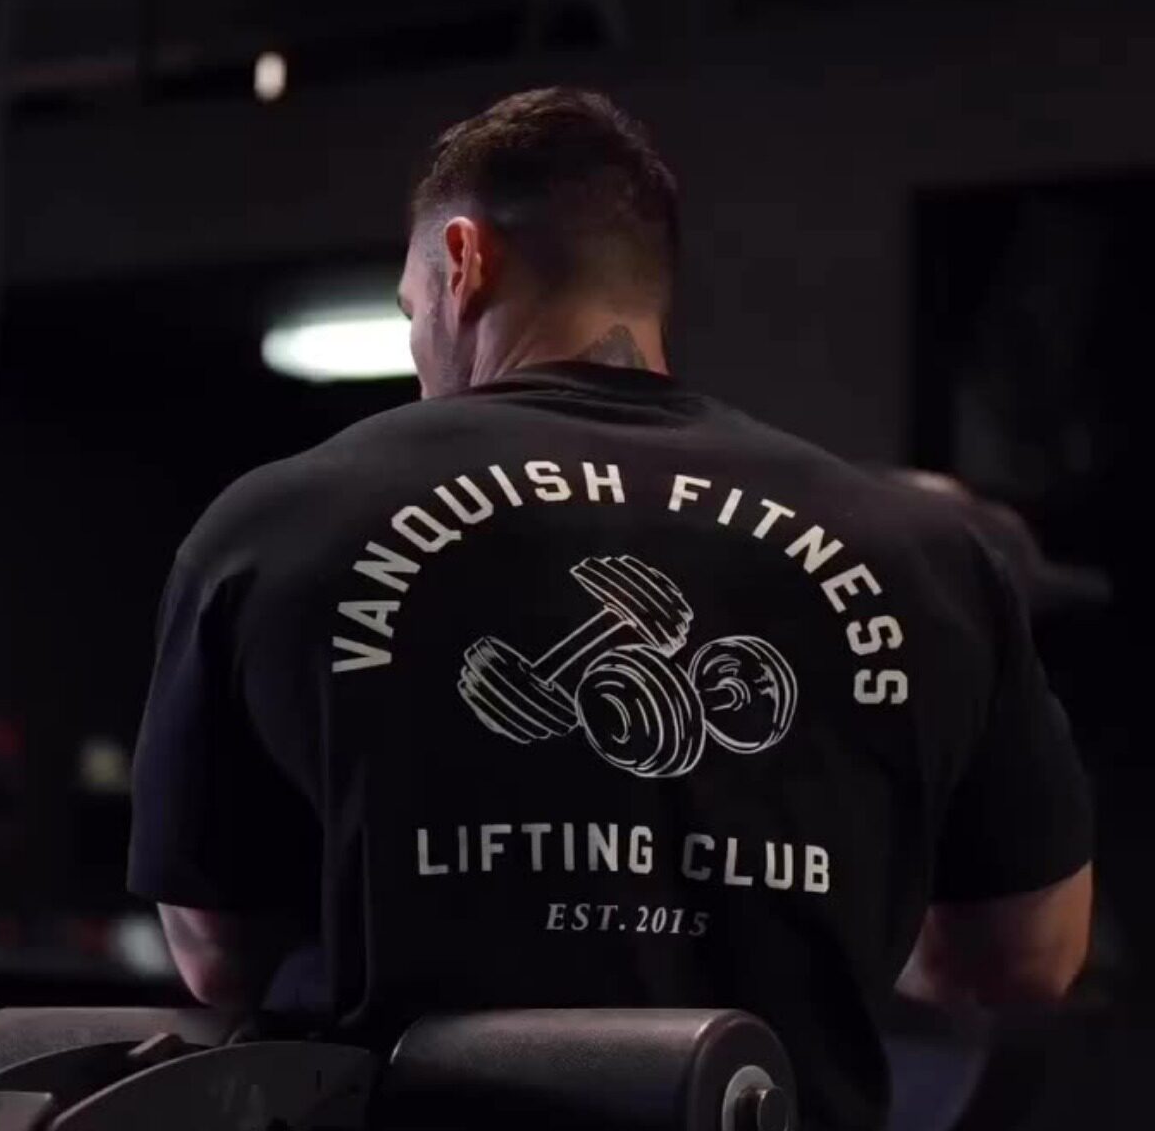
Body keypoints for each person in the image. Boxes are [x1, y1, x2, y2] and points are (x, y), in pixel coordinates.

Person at [128, 89, 1092, 1131]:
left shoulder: (273, 527)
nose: (418, 350)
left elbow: (217, 955)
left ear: (462, 261)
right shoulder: (926, 554)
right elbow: (1029, 957)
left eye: (410, 314)